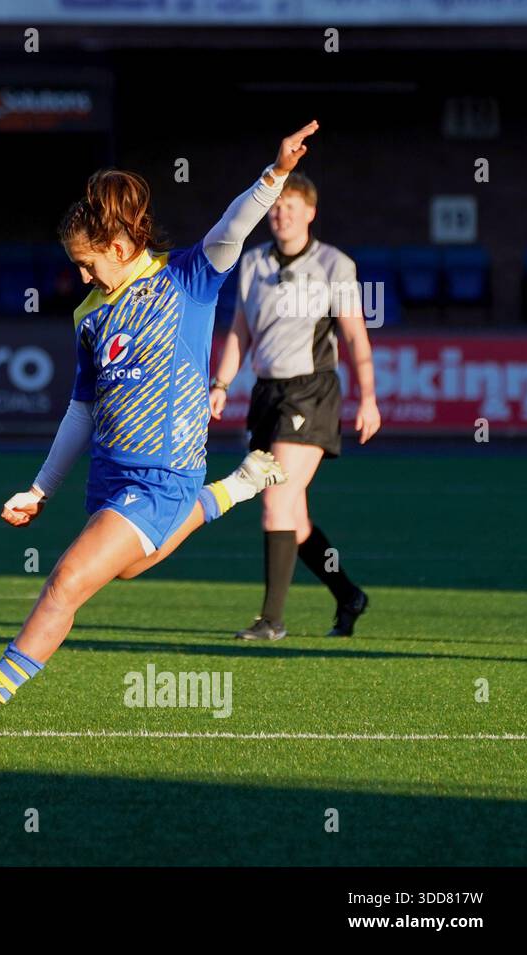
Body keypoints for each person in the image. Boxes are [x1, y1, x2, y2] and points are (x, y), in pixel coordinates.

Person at [0, 121, 321, 744]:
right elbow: (81, 408)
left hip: (160, 477)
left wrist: (276, 173)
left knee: (66, 583)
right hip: (112, 474)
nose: (80, 277)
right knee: (128, 571)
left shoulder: (188, 276)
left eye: (85, 263)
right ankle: (232, 490)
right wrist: (41, 488)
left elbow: (234, 226)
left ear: (118, 242)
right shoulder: (89, 314)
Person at [210, 172, 378, 640]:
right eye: (276, 206)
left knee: (275, 499)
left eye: (291, 205)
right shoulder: (252, 263)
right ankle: (349, 596)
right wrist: (221, 382)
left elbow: (354, 336)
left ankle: (271, 620)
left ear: (310, 212)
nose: (281, 213)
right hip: (267, 395)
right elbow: (240, 331)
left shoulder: (333, 264)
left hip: (311, 392)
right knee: (294, 517)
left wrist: (368, 397)